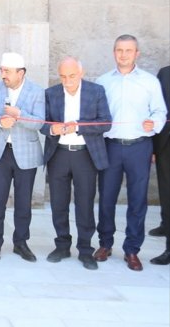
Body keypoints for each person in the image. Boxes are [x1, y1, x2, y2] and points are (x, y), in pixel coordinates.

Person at [95, 35, 167, 271]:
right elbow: (95, 113)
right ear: (113, 52)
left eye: (128, 50)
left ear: (137, 54)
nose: (123, 54)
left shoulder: (149, 82)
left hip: (139, 146)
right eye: (119, 50)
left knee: (137, 200)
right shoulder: (103, 81)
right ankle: (105, 244)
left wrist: (153, 124)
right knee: (106, 198)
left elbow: (159, 111)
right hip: (111, 147)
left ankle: (132, 250)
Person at [40, 57, 112, 270]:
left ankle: (85, 249)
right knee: (58, 203)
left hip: (85, 155)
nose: (67, 80)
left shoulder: (96, 91)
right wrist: (52, 129)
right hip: (59, 154)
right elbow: (42, 123)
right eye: (63, 76)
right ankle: (62, 245)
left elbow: (105, 122)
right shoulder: (51, 93)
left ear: (81, 73)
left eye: (71, 76)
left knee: (85, 203)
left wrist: (78, 126)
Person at [0, 52, 45, 262]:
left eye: (7, 71)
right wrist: (0, 122)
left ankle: (21, 243)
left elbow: (39, 123)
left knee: (23, 201)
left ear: (21, 72)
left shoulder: (36, 91)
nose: (3, 75)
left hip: (25, 154)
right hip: (0, 153)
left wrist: (19, 115)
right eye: (2, 70)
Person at [151, 64, 170, 265]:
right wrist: (154, 147)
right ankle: (166, 224)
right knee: (166, 190)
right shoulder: (164, 73)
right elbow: (157, 108)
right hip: (166, 143)